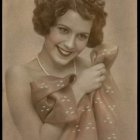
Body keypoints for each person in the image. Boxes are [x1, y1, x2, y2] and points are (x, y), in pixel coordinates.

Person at [5, 0, 120, 140]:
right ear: (47, 24)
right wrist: (78, 88)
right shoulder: (19, 75)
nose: (70, 44)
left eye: (82, 36)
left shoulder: (92, 71)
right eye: (63, 30)